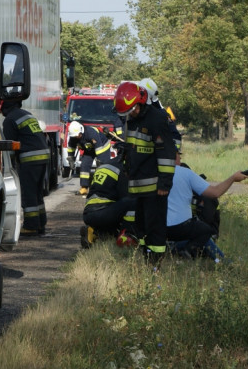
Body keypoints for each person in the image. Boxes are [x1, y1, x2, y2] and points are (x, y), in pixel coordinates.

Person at [114, 80, 176, 264]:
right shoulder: (133, 120)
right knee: (141, 226)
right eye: (127, 112)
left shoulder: (157, 119)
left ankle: (155, 263)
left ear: (141, 102)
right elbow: (133, 149)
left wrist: (164, 183)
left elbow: (166, 153)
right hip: (138, 185)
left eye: (132, 109)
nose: (131, 114)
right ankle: (145, 256)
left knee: (155, 227)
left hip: (155, 187)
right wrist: (127, 166)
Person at [167, 143, 248, 261]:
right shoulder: (185, 173)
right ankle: (220, 261)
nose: (180, 159)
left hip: (158, 228)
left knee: (200, 237)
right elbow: (215, 192)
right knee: (205, 231)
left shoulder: (152, 173)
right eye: (179, 156)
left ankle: (176, 249)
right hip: (180, 228)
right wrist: (233, 178)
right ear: (174, 156)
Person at [0, 100, 49, 235]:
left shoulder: (10, 120)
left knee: (28, 193)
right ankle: (40, 224)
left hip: (30, 159)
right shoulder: (26, 114)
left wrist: (7, 165)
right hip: (42, 156)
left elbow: (9, 146)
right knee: (37, 192)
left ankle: (31, 226)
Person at [81, 153, 138, 248]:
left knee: (110, 233)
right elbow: (125, 196)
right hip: (104, 213)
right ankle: (128, 236)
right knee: (132, 202)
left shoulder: (105, 165)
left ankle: (93, 233)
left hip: (88, 214)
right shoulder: (122, 169)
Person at [67, 120, 111, 195]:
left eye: (77, 135)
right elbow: (71, 147)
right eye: (75, 136)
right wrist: (71, 159)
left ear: (81, 131)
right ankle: (84, 188)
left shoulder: (90, 133)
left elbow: (99, 147)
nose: (76, 137)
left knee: (103, 167)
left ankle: (103, 188)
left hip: (102, 147)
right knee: (84, 165)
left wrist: (99, 161)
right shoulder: (73, 137)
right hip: (89, 149)